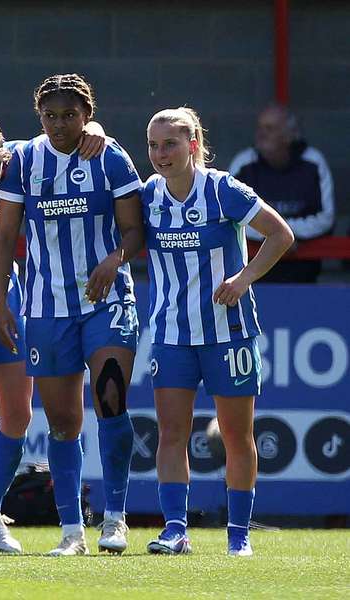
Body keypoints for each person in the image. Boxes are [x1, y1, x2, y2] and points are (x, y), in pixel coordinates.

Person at [0, 74, 144, 556]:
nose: (60, 124)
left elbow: (135, 230)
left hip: (107, 299)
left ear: (87, 115)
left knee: (111, 399)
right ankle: (72, 531)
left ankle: (116, 518)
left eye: (70, 115)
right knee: (62, 421)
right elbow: (3, 236)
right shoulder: (24, 161)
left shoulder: (110, 156)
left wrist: (114, 259)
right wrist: (2, 301)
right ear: (38, 116)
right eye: (50, 115)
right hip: (45, 307)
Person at [143, 107, 293, 556]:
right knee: (171, 433)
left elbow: (280, 235)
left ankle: (239, 536)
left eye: (170, 144)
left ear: (193, 145)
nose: (160, 154)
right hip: (171, 334)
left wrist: (243, 279)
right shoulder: (147, 194)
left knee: (235, 435)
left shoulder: (223, 189)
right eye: (152, 145)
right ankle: (175, 530)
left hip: (229, 333)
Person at [228, 104, 335, 283]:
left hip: (304, 271)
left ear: (289, 134)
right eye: (259, 128)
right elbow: (231, 217)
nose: (261, 134)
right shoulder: (243, 164)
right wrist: (274, 235)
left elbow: (326, 217)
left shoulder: (313, 162)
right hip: (255, 273)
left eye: (270, 128)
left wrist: (285, 235)